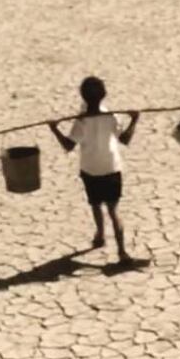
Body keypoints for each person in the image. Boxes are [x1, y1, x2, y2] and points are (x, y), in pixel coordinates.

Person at [47, 76, 140, 264]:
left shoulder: (81, 122)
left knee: (96, 203)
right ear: (104, 95)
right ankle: (122, 252)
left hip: (90, 169)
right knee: (113, 210)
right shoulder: (111, 116)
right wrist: (134, 120)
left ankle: (100, 234)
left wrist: (54, 129)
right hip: (111, 167)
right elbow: (125, 139)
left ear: (82, 96)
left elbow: (68, 145)